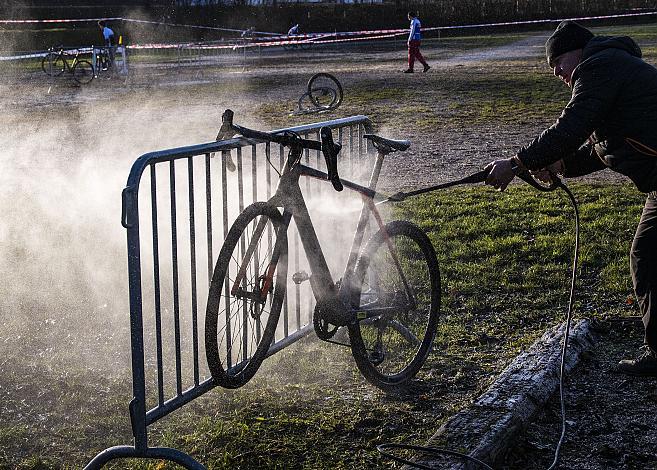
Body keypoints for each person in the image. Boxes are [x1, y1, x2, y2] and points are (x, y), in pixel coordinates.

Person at [484, 21, 657, 376]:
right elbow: (605, 146)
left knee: (648, 257)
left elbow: (569, 129)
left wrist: (517, 163)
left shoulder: (599, 66)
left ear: (576, 51)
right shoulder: (610, 69)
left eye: (557, 62)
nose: (555, 72)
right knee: (648, 257)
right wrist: (562, 163)